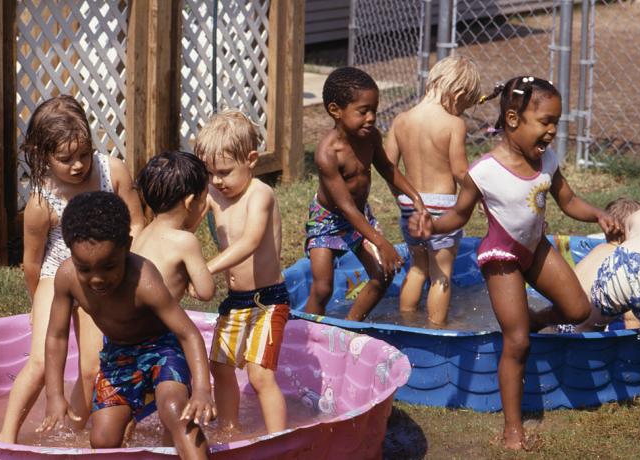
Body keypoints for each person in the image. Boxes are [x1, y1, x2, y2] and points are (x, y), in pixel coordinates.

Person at [410, 76, 620, 449]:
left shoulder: (548, 161)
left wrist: (598, 216)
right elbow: (459, 215)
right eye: (545, 122)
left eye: (556, 121)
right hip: (501, 256)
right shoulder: (484, 171)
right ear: (512, 119)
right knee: (518, 341)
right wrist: (432, 225)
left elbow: (568, 201)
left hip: (535, 248)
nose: (552, 131)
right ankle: (513, 431)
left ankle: (538, 318)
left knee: (577, 309)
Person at [0, 95, 145, 444]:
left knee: (94, 368)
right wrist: (39, 304)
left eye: (83, 154)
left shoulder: (113, 172)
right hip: (56, 275)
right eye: (65, 159)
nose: (78, 165)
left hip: (101, 279)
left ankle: (74, 433)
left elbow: (138, 224)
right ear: (41, 155)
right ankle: (5, 437)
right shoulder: (41, 201)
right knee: (39, 364)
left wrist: (123, 271)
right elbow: (32, 262)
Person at [37, 191, 215, 459]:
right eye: (84, 268)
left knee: (176, 411)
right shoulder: (66, 278)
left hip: (161, 349)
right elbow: (57, 336)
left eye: (108, 266)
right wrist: (54, 395)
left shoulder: (144, 280)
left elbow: (188, 333)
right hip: (118, 355)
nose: (97, 279)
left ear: (127, 246)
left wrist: (202, 389)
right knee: (102, 439)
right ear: (70, 251)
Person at [304, 66, 429, 322]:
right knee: (323, 287)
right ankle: (306, 333)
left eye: (374, 110)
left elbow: (387, 168)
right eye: (363, 111)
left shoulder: (370, 137)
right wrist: (382, 243)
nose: (371, 117)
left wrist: (416, 198)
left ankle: (349, 326)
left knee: (383, 274)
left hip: (359, 215)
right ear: (335, 110)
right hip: (327, 220)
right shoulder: (328, 153)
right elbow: (346, 207)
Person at [194, 110, 290, 435]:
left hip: (267, 301)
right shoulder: (214, 195)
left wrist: (205, 268)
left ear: (251, 159)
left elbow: (250, 242)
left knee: (259, 375)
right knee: (219, 367)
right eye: (209, 173)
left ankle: (278, 440)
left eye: (224, 172)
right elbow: (185, 223)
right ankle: (229, 431)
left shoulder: (259, 194)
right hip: (236, 301)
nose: (217, 180)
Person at [385, 55, 482, 325]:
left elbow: (388, 166)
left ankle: (407, 323)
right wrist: (482, 192)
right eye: (463, 105)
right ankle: (436, 328)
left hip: (410, 205)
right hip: (443, 208)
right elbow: (460, 171)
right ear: (459, 93)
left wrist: (401, 197)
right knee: (441, 273)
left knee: (417, 267)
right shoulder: (453, 125)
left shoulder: (401, 120)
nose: (461, 112)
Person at [133, 151, 215, 304]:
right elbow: (206, 291)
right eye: (204, 199)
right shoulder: (185, 242)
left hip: (133, 321)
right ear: (190, 202)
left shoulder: (144, 233)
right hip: (157, 325)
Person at [567, 198, 640, 332]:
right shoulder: (621, 263)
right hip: (587, 330)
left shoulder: (596, 250)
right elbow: (631, 320)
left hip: (565, 320)